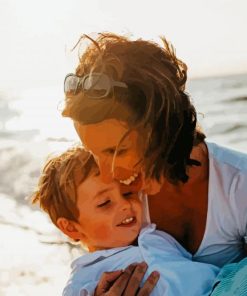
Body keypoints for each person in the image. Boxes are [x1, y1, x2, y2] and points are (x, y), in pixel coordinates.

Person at [61, 32, 247, 293]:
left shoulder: (238, 183)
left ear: (162, 130)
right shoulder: (118, 199)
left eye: (117, 150)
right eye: (94, 153)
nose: (106, 171)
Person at [32, 146, 219, 296]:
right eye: (105, 203)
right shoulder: (84, 280)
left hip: (222, 284)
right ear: (71, 227)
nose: (125, 205)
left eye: (128, 192)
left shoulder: (156, 234)